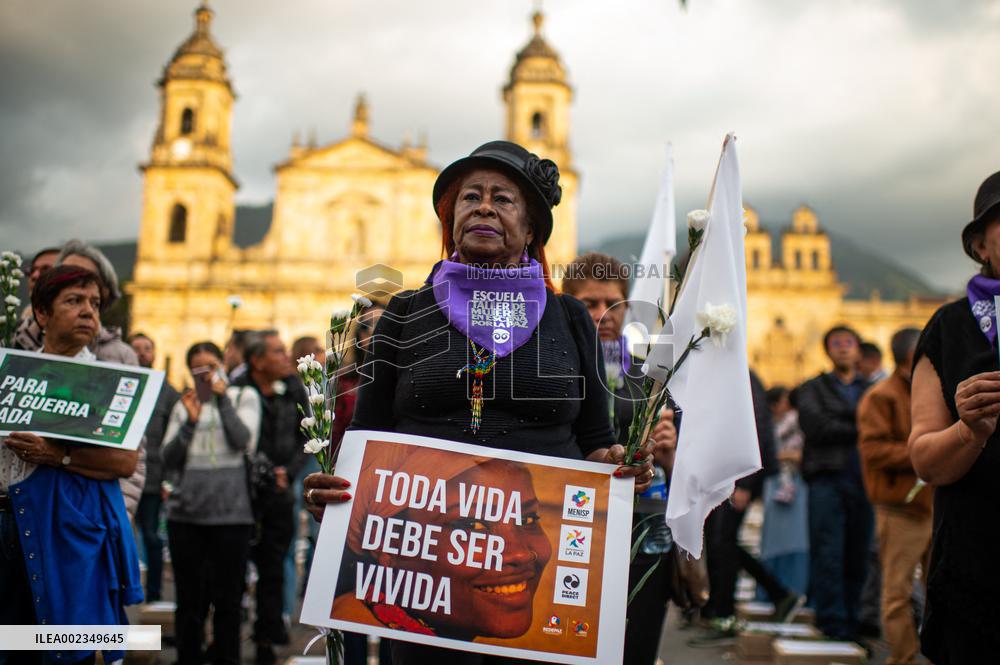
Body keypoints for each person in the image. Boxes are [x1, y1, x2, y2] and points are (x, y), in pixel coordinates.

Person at [303, 141, 654, 665]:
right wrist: (335, 489)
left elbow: (595, 442)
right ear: (451, 221)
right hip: (425, 574)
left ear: (532, 228)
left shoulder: (571, 319)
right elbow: (365, 440)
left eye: (503, 199)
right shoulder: (404, 313)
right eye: (470, 197)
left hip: (533, 569)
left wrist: (621, 464)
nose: (483, 207)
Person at [1, 266, 142, 664]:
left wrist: (58, 456)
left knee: (65, 649)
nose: (88, 312)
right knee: (11, 645)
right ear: (41, 315)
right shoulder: (10, 372)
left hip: (66, 531)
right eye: (74, 301)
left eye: (94, 304)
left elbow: (124, 461)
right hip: (6, 526)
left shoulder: (109, 381)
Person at [562, 251, 677, 665]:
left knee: (638, 645)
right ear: (568, 304)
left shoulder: (650, 377)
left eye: (613, 302)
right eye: (589, 303)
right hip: (573, 532)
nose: (603, 314)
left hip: (643, 531)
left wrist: (669, 448)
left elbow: (676, 465)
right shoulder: (551, 374)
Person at [909, 170, 1000, 663]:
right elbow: (925, 460)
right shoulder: (951, 328)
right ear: (981, 245)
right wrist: (969, 430)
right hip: (978, 565)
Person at [333, 449, 552, 640]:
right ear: (389, 543)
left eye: (528, 519)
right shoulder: (352, 623)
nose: (520, 555)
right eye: (471, 524)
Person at [162, 341, 259, 665]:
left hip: (232, 516)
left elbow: (243, 440)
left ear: (222, 366)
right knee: (189, 600)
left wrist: (221, 400)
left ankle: (227, 658)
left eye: (211, 367)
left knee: (228, 599)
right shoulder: (182, 405)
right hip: (186, 515)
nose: (206, 375)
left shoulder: (243, 397)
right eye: (198, 370)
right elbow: (168, 457)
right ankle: (188, 658)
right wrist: (190, 422)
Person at [694, 370, 802, 646]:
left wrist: (744, 483)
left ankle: (726, 612)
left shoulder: (742, 374)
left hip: (737, 477)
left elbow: (754, 430)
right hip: (720, 476)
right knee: (721, 543)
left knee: (723, 541)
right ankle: (771, 596)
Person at [232, 331, 309, 665]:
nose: (285, 357)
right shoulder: (237, 391)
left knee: (273, 566)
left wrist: (287, 473)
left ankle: (266, 637)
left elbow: (305, 435)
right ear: (257, 360)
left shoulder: (294, 389)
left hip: (279, 491)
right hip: (241, 491)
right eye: (278, 352)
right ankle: (228, 637)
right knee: (233, 567)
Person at [857, 327, 930, 665]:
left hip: (935, 504)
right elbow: (873, 452)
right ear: (912, 357)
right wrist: (925, 453)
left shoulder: (932, 390)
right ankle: (901, 657)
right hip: (900, 506)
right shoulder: (881, 396)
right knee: (897, 592)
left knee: (943, 590)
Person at [797, 325, 874, 641]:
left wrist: (842, 420)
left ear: (858, 349)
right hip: (826, 479)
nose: (843, 348)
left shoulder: (870, 389)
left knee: (858, 554)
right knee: (828, 552)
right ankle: (831, 621)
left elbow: (882, 425)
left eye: (849, 343)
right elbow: (816, 427)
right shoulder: (812, 388)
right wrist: (860, 424)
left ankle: (853, 620)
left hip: (864, 481)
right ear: (828, 350)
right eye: (836, 343)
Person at [128, 332, 180, 602]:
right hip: (120, 475)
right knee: (121, 535)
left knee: (151, 536)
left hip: (152, 477)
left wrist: (168, 480)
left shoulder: (168, 392)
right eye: (136, 348)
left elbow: (174, 439)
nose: (142, 353)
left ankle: (154, 594)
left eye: (147, 348)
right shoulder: (120, 384)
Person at [758, 387, 809, 599]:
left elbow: (801, 454)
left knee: (796, 537)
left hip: (793, 485)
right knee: (772, 538)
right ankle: (773, 588)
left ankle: (795, 587)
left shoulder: (795, 423)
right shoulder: (770, 424)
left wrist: (777, 456)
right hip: (775, 484)